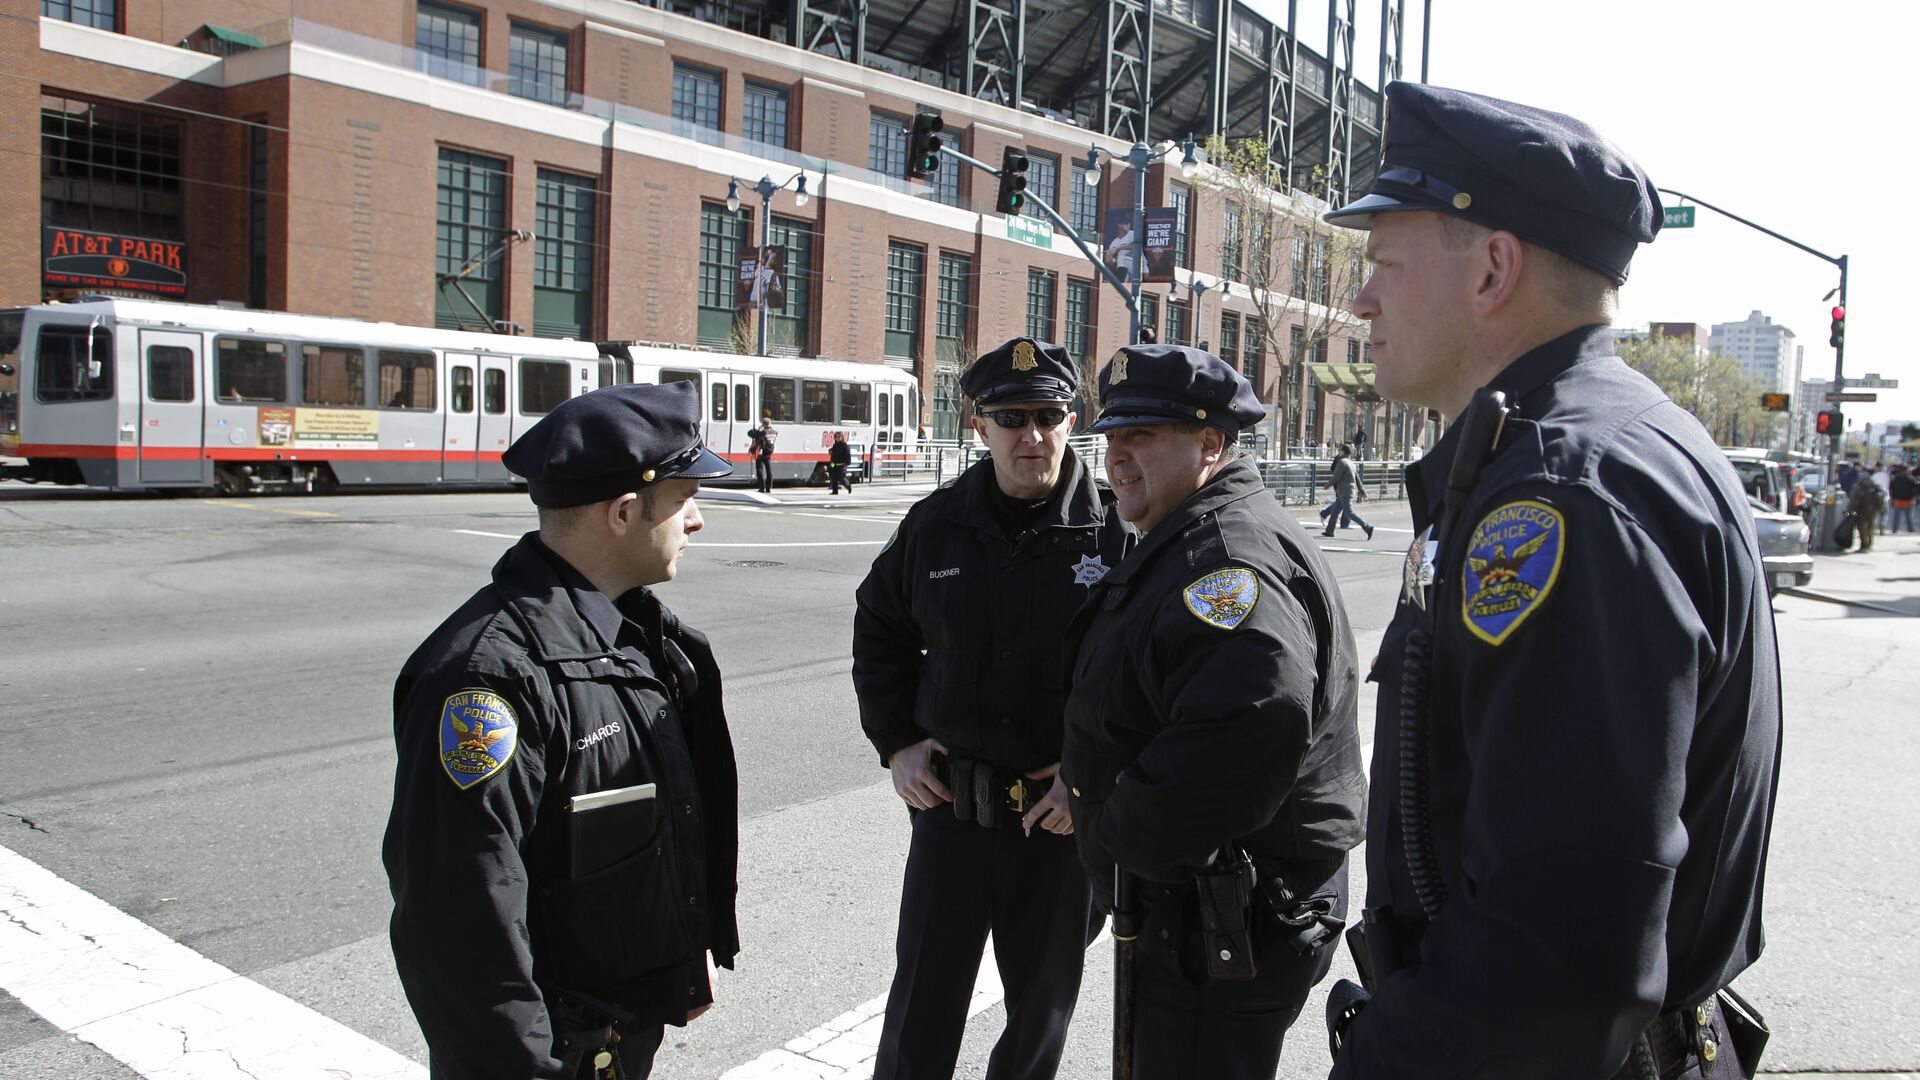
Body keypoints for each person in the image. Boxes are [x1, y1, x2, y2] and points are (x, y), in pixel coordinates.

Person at [1320, 83, 1782, 1078]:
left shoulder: (1563, 495)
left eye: (1383, 266)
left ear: (1492, 267)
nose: (1361, 299)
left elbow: (1554, 955)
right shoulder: (1616, 442)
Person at [384, 382, 740, 1080]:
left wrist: (683, 945)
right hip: (552, 1055)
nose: (695, 521)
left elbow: (638, 833)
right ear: (624, 512)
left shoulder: (636, 636)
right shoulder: (489, 680)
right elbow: (459, 923)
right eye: (684, 499)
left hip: (618, 1032)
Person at [1061, 343, 1367, 1078]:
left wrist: (1114, 831)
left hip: (1220, 918)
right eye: (1112, 436)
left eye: (1144, 435)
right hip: (1198, 908)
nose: (1119, 456)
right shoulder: (1191, 534)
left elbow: (1247, 728)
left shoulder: (1225, 556)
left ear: (1211, 444)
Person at [854, 337, 1134, 1080]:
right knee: (920, 1010)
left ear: (1074, 419)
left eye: (1048, 414)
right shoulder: (935, 524)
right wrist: (897, 742)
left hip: (1058, 820)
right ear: (979, 426)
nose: (1031, 435)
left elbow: (1148, 681)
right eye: (1012, 418)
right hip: (951, 810)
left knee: (1039, 1016)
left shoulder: (1117, 532)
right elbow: (879, 629)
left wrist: (1092, 776)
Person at [1319, 442, 1374, 540]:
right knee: (1335, 511)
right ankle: (1329, 531)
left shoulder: (1342, 462)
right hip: (1346, 491)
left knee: (1350, 513)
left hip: (1344, 492)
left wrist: (1327, 485)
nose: (1338, 452)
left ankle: (1367, 527)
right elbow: (1357, 480)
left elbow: (1336, 476)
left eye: (1340, 450)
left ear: (1343, 451)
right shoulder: (1351, 463)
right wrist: (1363, 492)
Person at [1850, 469, 1885, 551]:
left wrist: (1850, 509)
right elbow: (1881, 497)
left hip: (1861, 509)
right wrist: (1880, 509)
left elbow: (1853, 498)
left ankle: (1863, 545)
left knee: (1861, 527)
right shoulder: (1875, 485)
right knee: (1870, 526)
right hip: (1873, 509)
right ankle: (1869, 544)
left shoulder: (1858, 485)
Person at [749, 412, 778, 493]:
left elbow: (751, 434)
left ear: (763, 424)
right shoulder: (775, 432)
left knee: (760, 470)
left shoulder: (762, 432)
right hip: (769, 453)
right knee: (769, 470)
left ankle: (762, 488)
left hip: (761, 453)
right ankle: (769, 488)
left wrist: (760, 428)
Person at [1888, 464, 1916, 534]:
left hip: (1898, 500)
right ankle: (1911, 529)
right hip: (1908, 500)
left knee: (1897, 516)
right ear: (1905, 470)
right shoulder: (1911, 479)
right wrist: (1914, 498)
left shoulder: (1895, 478)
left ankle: (1895, 529)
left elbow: (1892, 489)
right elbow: (1915, 490)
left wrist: (1893, 499)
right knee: (1909, 516)